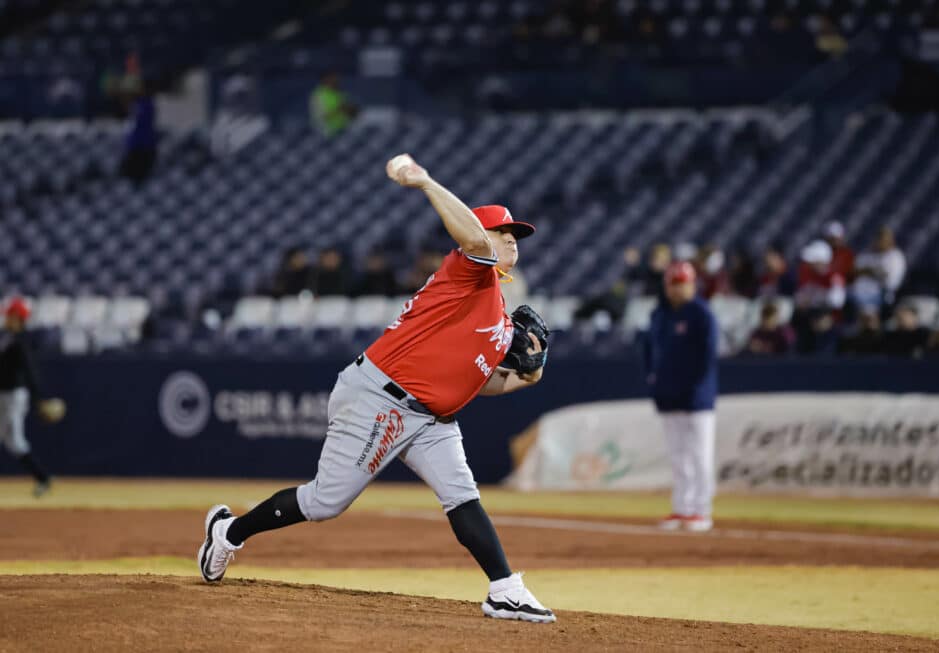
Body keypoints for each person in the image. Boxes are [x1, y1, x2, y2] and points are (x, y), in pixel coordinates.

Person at [196, 154, 556, 624]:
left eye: (517, 236)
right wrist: (426, 181)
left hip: (429, 416)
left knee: (462, 495)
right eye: (502, 232)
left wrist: (524, 377)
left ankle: (505, 588)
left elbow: (480, 379)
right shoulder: (469, 272)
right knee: (326, 502)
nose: (512, 239)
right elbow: (469, 237)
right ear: (480, 236)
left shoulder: (497, 314)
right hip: (380, 397)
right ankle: (228, 533)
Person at [643, 261, 719, 532]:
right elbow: (650, 352)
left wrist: (696, 388)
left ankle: (701, 510)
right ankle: (682, 508)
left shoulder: (701, 314)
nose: (678, 289)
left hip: (697, 399)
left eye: (682, 283)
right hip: (668, 396)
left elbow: (707, 357)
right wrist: (654, 383)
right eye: (674, 283)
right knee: (678, 456)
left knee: (700, 455)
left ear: (692, 284)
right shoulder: (660, 314)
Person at [0, 298, 65, 497]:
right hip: (3, 394)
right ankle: (43, 478)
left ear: (18, 318)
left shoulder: (20, 341)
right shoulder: (7, 338)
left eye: (10, 315)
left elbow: (29, 372)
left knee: (16, 441)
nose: (6, 318)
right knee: (13, 442)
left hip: (14, 396)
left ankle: (43, 478)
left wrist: (39, 399)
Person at [852, 226, 907, 310]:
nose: (879, 242)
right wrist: (872, 272)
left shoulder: (895, 256)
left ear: (890, 241)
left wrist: (870, 272)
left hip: (883, 295)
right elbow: (855, 271)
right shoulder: (867, 253)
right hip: (861, 291)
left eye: (883, 239)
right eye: (878, 239)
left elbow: (891, 281)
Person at [309, 72, 357, 137]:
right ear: (325, 80)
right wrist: (339, 109)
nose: (336, 80)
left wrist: (351, 111)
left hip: (344, 129)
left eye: (336, 78)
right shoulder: (318, 95)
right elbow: (320, 118)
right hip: (327, 132)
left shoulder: (339, 93)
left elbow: (349, 113)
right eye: (332, 78)